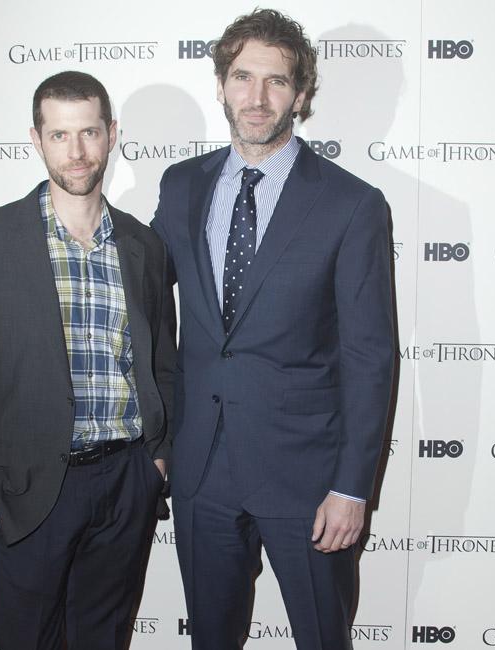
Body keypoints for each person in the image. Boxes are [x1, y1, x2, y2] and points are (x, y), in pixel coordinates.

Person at [151, 9, 394, 650]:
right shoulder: (181, 186)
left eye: (277, 81)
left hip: (308, 479)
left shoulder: (352, 204)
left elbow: (370, 357)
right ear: (222, 85)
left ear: (301, 94)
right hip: (202, 470)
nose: (256, 98)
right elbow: (145, 302)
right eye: (242, 77)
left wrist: (351, 488)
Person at [0, 70, 176, 650]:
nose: (77, 151)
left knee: (104, 639)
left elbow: (164, 363)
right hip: (28, 490)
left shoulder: (144, 244)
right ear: (36, 139)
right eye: (60, 135)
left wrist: (157, 461)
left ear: (112, 134)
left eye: (89, 132)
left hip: (127, 482)